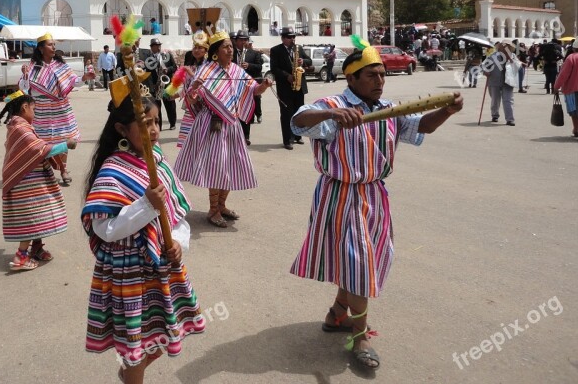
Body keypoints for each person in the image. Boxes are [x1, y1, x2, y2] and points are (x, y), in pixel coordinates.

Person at [290, 41, 463, 370]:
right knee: (359, 264)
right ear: (352, 78)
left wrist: (447, 110)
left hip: (374, 196)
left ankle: (337, 313)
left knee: (358, 263)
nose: (380, 81)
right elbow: (298, 121)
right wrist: (332, 114)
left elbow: (419, 127)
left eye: (382, 75)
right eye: (372, 75)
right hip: (340, 195)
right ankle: (359, 336)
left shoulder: (388, 108)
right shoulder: (334, 105)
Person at [81, 94, 204, 382]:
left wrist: (176, 241)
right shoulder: (113, 170)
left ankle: (128, 374)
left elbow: (176, 214)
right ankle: (132, 376)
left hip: (162, 266)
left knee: (161, 335)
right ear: (122, 130)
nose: (154, 130)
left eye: (157, 122)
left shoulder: (159, 163)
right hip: (130, 272)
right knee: (136, 342)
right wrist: (146, 205)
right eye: (145, 123)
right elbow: (106, 229)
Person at [175, 31, 273, 228]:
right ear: (215, 52)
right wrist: (193, 87)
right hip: (211, 124)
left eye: (230, 46)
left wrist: (264, 85)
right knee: (217, 167)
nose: (230, 50)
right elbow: (192, 99)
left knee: (230, 165)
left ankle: (222, 205)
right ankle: (213, 210)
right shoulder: (206, 70)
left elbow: (253, 89)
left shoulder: (236, 71)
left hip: (232, 124)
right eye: (225, 47)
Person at [0, 91, 76, 271]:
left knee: (39, 213)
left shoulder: (19, 125)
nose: (35, 112)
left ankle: (36, 248)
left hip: (32, 179)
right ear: (24, 107)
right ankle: (21, 257)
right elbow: (38, 148)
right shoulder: (20, 128)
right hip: (25, 181)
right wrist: (65, 145)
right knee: (30, 216)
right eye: (33, 108)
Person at [19, 33, 80, 185]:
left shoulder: (61, 65)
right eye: (50, 44)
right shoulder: (33, 67)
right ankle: (47, 170)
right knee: (45, 141)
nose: (53, 47)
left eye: (54, 44)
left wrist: (85, 78)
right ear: (40, 48)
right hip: (41, 109)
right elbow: (24, 88)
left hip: (61, 108)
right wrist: (25, 76)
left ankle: (64, 169)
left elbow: (73, 80)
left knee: (64, 139)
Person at [270, 26, 312, 149]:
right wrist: (287, 76)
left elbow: (309, 61)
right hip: (285, 87)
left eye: (293, 36)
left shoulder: (298, 48)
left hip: (299, 86)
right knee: (286, 113)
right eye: (289, 37)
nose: (292, 39)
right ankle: (287, 139)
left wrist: (303, 61)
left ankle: (298, 136)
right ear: (283, 38)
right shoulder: (275, 50)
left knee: (299, 112)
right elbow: (274, 69)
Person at [177, 33, 209, 148]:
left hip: (203, 107)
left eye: (200, 48)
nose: (196, 50)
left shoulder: (209, 66)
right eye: (195, 47)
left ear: (206, 50)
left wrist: (190, 73)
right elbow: (187, 87)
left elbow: (205, 84)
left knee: (201, 141)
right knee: (187, 142)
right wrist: (174, 94)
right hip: (190, 107)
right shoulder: (193, 65)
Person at [232, 30, 263, 144]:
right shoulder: (230, 53)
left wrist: (249, 65)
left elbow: (259, 67)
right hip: (234, 86)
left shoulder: (254, 53)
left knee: (246, 110)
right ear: (236, 41)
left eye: (245, 40)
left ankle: (246, 136)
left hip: (248, 86)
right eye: (241, 40)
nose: (243, 42)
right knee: (235, 111)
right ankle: (235, 135)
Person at [482, 41, 519, 126]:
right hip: (494, 80)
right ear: (500, 48)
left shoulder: (513, 57)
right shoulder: (493, 56)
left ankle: (510, 119)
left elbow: (518, 67)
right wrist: (485, 71)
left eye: (507, 47)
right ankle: (495, 115)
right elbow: (484, 65)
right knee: (495, 99)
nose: (505, 48)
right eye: (503, 46)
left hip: (508, 82)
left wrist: (512, 61)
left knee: (508, 100)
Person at [149, 38, 178, 130]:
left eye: (159, 46)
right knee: (157, 107)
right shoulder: (149, 59)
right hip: (156, 85)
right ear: (151, 48)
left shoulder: (167, 55)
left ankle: (172, 123)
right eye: (156, 46)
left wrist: (168, 70)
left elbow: (174, 67)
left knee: (170, 105)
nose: (158, 48)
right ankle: (159, 126)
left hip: (166, 84)